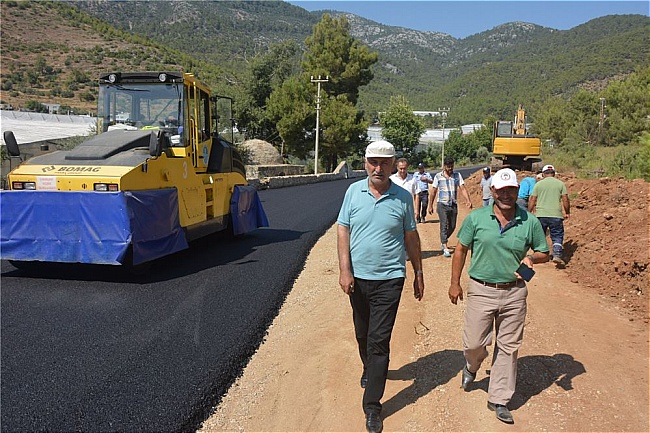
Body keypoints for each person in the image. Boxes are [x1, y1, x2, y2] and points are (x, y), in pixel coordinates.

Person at [449, 168, 549, 425]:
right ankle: (472, 366)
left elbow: (543, 252)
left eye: (511, 190)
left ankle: (499, 399)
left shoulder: (529, 221)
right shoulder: (477, 218)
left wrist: (531, 257)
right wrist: (454, 283)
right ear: (492, 191)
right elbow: (460, 250)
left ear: (517, 191)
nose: (506, 194)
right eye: (501, 190)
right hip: (482, 289)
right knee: (473, 344)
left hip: (514, 292)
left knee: (508, 346)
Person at [337, 140, 425, 433]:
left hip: (389, 279)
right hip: (358, 280)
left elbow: (411, 237)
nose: (378, 168)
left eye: (384, 163)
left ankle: (372, 406)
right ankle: (369, 369)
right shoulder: (353, 192)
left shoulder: (402, 197)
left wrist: (418, 272)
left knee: (378, 341)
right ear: (365, 163)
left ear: (393, 165)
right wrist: (345, 270)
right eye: (373, 162)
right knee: (362, 333)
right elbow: (343, 230)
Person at [428, 156, 473, 257]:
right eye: (448, 166)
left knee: (452, 226)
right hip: (442, 205)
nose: (450, 168)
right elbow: (433, 191)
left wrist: (468, 200)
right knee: (444, 224)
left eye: (451, 166)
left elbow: (463, 188)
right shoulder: (438, 176)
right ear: (444, 166)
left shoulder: (457, 175)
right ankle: (445, 246)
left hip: (453, 204)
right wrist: (430, 205)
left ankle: (443, 239)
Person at [528, 164, 570, 266]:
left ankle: (540, 255)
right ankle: (557, 254)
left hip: (541, 215)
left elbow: (532, 199)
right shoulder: (560, 184)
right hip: (556, 215)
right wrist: (567, 212)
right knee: (557, 235)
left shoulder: (538, 184)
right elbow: (565, 199)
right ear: (554, 173)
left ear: (543, 174)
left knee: (540, 236)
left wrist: (529, 212)